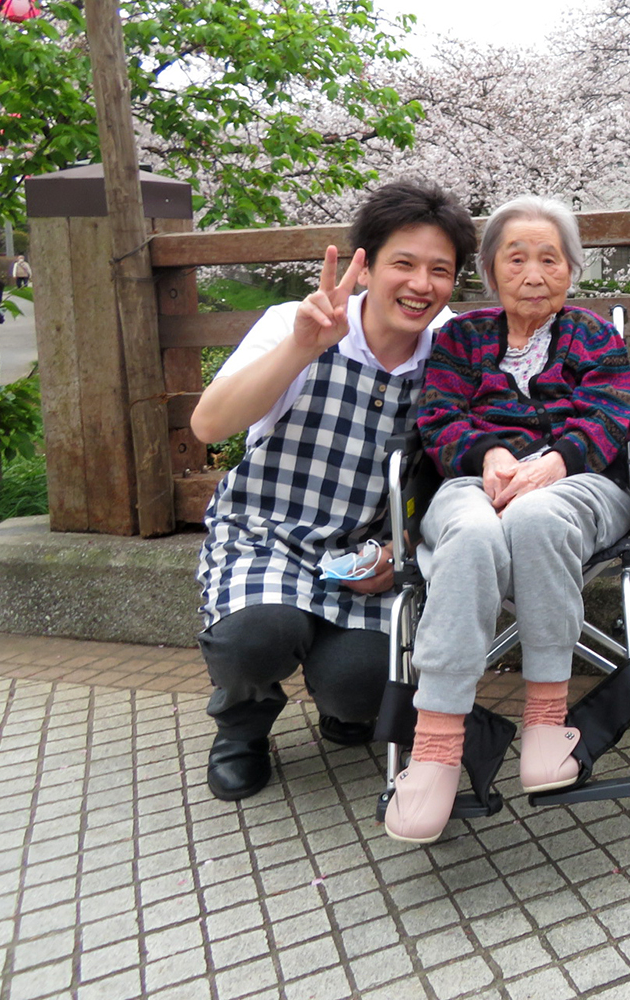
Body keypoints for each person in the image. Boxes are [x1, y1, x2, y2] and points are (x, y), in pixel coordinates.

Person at [193, 180, 478, 802]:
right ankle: (241, 726)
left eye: (440, 270)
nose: (420, 285)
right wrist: (300, 347)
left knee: (364, 686)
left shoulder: (452, 349)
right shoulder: (301, 323)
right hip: (265, 536)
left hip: (366, 553)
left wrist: (400, 553)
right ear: (367, 265)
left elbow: (448, 472)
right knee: (257, 635)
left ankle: (341, 702)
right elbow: (208, 424)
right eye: (403, 263)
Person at [383, 195, 630, 844]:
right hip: (475, 481)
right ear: (491, 274)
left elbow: (609, 417)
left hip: (576, 485)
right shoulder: (459, 339)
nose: (532, 273)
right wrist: (488, 453)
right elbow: (437, 418)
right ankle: (437, 748)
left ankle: (547, 723)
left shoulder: (595, 336)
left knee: (537, 517)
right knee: (469, 531)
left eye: (549, 258)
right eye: (515, 258)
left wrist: (555, 462)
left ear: (571, 271)